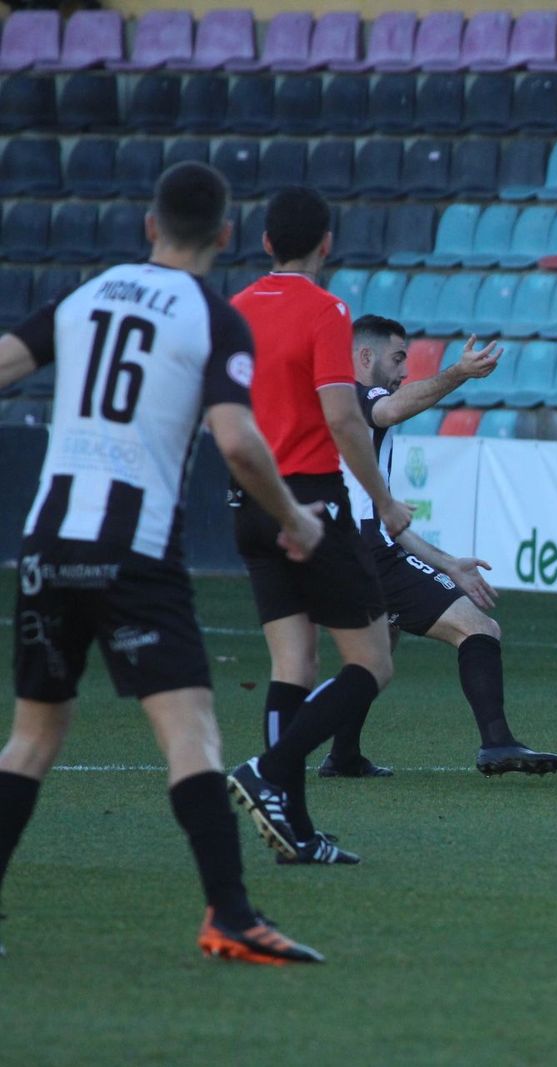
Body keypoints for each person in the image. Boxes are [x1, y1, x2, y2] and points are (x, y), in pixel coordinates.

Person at [0, 163, 323, 964]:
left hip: (46, 542)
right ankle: (232, 913)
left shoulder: (86, 295)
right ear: (224, 235)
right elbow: (241, 442)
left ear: (149, 225)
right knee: (190, 731)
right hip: (132, 549)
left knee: (32, 737)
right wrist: (296, 520)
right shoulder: (214, 318)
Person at [225, 186, 414, 866]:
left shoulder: (237, 308)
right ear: (326, 244)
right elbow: (342, 417)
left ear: (267, 242)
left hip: (248, 499)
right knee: (372, 661)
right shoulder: (327, 309)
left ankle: (295, 831)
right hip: (312, 502)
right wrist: (384, 500)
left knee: (293, 663)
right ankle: (269, 768)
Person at [322, 315, 557, 779]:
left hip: (359, 548)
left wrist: (445, 562)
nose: (403, 371)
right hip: (364, 555)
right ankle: (496, 743)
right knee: (478, 628)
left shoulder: (347, 411)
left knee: (377, 654)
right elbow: (388, 410)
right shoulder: (356, 396)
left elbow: (379, 517)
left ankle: (343, 756)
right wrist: (457, 373)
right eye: (397, 358)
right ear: (365, 357)